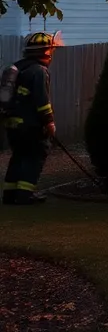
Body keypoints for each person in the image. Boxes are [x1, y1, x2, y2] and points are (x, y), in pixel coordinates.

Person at [2, 31, 64, 205]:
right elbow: (42, 100)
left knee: (19, 156)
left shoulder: (18, 67)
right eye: (51, 50)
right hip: (30, 126)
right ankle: (25, 195)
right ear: (45, 51)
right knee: (34, 156)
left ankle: (9, 195)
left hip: (12, 124)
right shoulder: (39, 71)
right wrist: (49, 122)